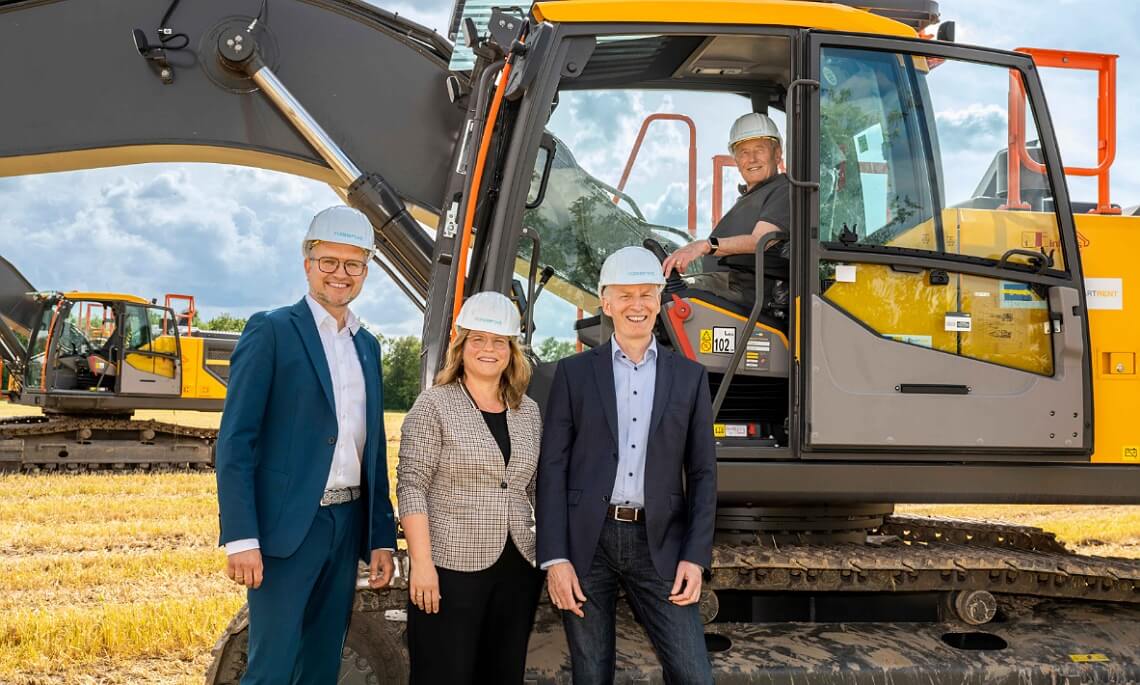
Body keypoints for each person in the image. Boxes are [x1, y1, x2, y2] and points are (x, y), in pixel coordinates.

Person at [215, 205, 396, 684]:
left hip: (346, 523)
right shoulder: (271, 330)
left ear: (365, 270)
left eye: (353, 264)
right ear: (307, 264)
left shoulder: (368, 346)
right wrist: (241, 537)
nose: (341, 274)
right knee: (271, 668)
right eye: (329, 262)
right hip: (287, 530)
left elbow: (371, 450)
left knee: (322, 664)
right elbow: (236, 442)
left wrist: (380, 536)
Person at [537, 246, 718, 684]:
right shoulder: (574, 374)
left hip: (659, 545)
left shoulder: (690, 377)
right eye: (625, 295)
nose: (636, 305)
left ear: (659, 300)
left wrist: (695, 558)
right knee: (591, 674)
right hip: (587, 544)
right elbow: (553, 469)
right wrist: (555, 559)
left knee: (694, 674)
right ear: (606, 302)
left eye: (646, 294)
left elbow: (702, 474)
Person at [397, 291, 545, 684]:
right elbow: (411, 485)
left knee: (502, 674)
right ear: (461, 346)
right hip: (449, 568)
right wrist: (422, 565)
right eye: (478, 339)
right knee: (445, 674)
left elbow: (531, 487)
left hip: (517, 567)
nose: (489, 349)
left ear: (512, 351)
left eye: (499, 341)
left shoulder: (526, 410)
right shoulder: (435, 405)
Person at [661, 112, 791, 313]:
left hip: (743, 293)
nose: (752, 159)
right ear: (736, 161)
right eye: (744, 152)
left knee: (650, 298)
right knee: (644, 292)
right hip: (727, 287)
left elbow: (761, 240)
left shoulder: (783, 189)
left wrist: (706, 246)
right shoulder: (752, 196)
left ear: (777, 153)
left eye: (760, 149)